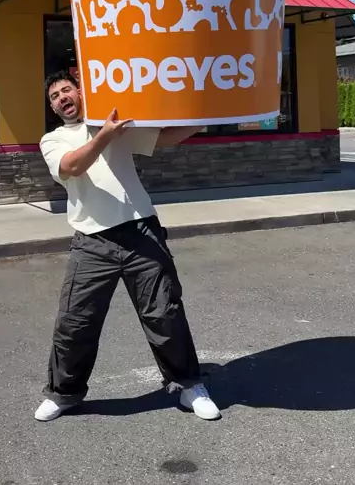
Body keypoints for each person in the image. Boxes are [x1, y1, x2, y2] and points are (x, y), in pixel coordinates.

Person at [35, 70, 220, 422]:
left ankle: (188, 385)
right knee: (75, 321)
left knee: (165, 314)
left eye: (66, 90)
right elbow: (72, 166)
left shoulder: (115, 125)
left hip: (141, 232)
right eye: (54, 97)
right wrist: (106, 133)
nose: (61, 98)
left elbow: (165, 138)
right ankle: (64, 394)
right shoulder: (54, 139)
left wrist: (209, 117)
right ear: (54, 108)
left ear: (81, 92)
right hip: (91, 242)